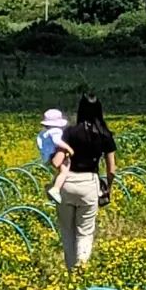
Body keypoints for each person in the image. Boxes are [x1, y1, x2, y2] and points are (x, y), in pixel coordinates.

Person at [49, 93, 116, 271]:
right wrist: (108, 188)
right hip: (89, 183)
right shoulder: (105, 134)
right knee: (85, 231)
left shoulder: (69, 132)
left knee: (67, 231)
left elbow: (57, 162)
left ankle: (71, 272)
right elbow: (111, 169)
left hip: (68, 183)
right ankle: (81, 270)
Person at [38, 107, 69, 202]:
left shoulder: (43, 133)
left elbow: (39, 144)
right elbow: (57, 141)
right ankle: (55, 189)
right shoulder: (56, 131)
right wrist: (69, 149)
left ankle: (52, 186)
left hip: (47, 156)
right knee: (65, 170)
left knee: (59, 172)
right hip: (54, 155)